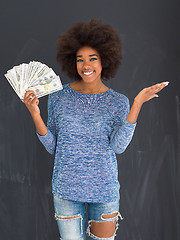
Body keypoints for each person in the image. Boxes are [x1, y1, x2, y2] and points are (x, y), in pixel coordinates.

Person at [23, 19, 169, 240]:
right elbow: (53, 146)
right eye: (80, 59)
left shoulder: (119, 102)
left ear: (105, 60)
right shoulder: (58, 97)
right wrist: (35, 114)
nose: (85, 65)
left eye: (93, 58)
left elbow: (118, 147)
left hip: (104, 191)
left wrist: (137, 103)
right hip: (66, 190)